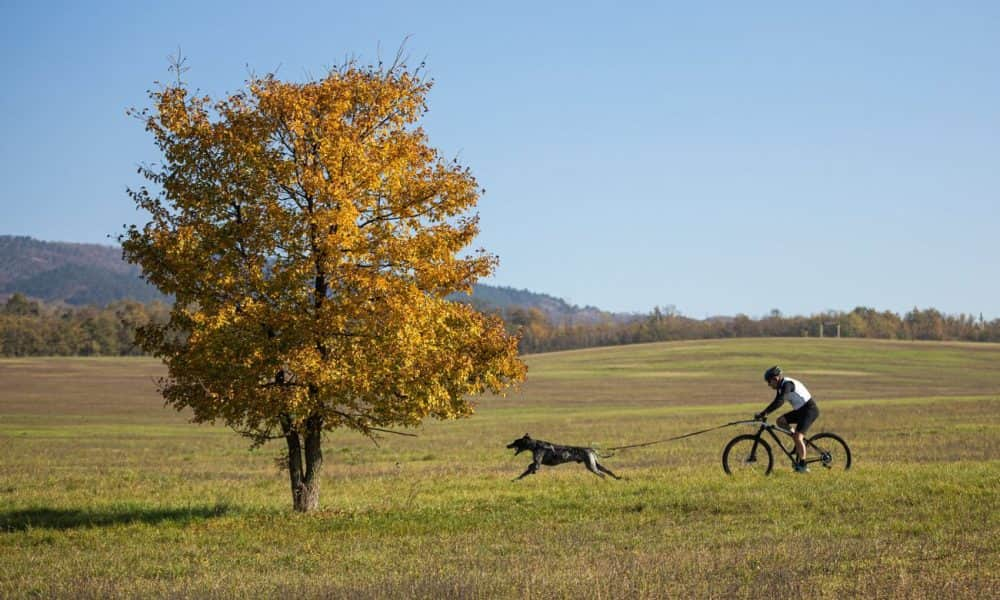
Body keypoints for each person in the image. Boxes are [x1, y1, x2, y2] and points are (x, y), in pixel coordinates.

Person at [755, 366, 819, 473]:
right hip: (801, 411)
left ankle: (803, 466)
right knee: (780, 421)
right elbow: (776, 401)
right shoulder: (781, 387)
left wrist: (765, 412)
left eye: (769, 382)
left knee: (798, 437)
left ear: (775, 379)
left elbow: (780, 401)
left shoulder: (787, 385)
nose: (768, 385)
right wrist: (764, 412)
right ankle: (797, 441)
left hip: (809, 410)